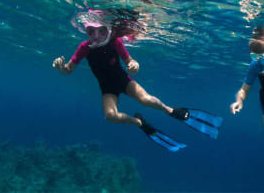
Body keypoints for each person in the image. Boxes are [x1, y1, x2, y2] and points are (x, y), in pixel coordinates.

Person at [53, 16, 222, 152]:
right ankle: (140, 123)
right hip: (107, 88)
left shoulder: (115, 41)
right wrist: (62, 68)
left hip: (124, 80)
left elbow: (130, 62)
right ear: (86, 31)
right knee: (111, 116)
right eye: (91, 31)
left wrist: (134, 66)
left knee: (146, 100)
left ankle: (170, 110)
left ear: (108, 30)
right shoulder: (85, 47)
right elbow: (68, 69)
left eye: (101, 31)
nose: (96, 36)